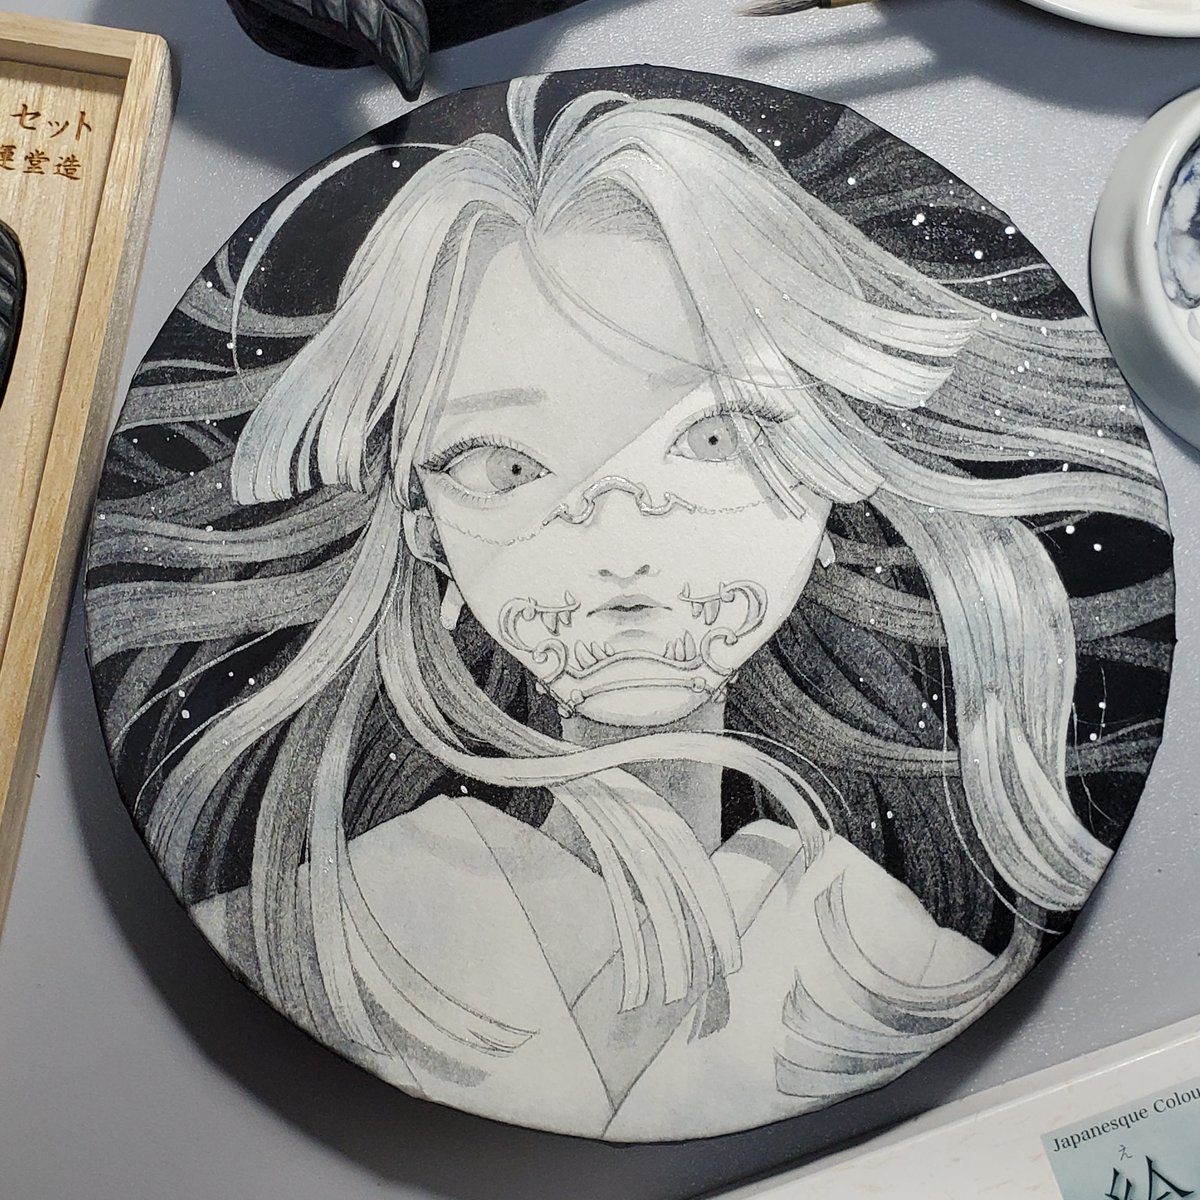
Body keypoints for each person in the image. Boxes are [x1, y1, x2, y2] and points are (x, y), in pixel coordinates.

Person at [87, 75, 1172, 1139]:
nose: (618, 547)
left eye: (715, 436)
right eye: (505, 465)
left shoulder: (900, 960)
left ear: (833, 469)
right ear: (424, 528)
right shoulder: (309, 933)